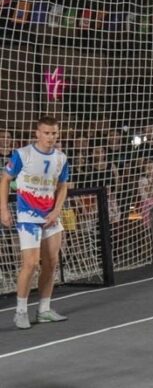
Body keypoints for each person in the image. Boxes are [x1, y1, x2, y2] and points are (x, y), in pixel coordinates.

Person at [1, 116, 70, 329]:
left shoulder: (61, 158)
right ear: (37, 133)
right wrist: (3, 209)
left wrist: (57, 210)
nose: (50, 137)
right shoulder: (23, 154)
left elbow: (63, 186)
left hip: (50, 216)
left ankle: (44, 309)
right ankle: (21, 311)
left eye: (54, 133)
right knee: (30, 264)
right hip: (28, 216)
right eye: (46, 133)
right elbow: (5, 179)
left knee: (52, 262)